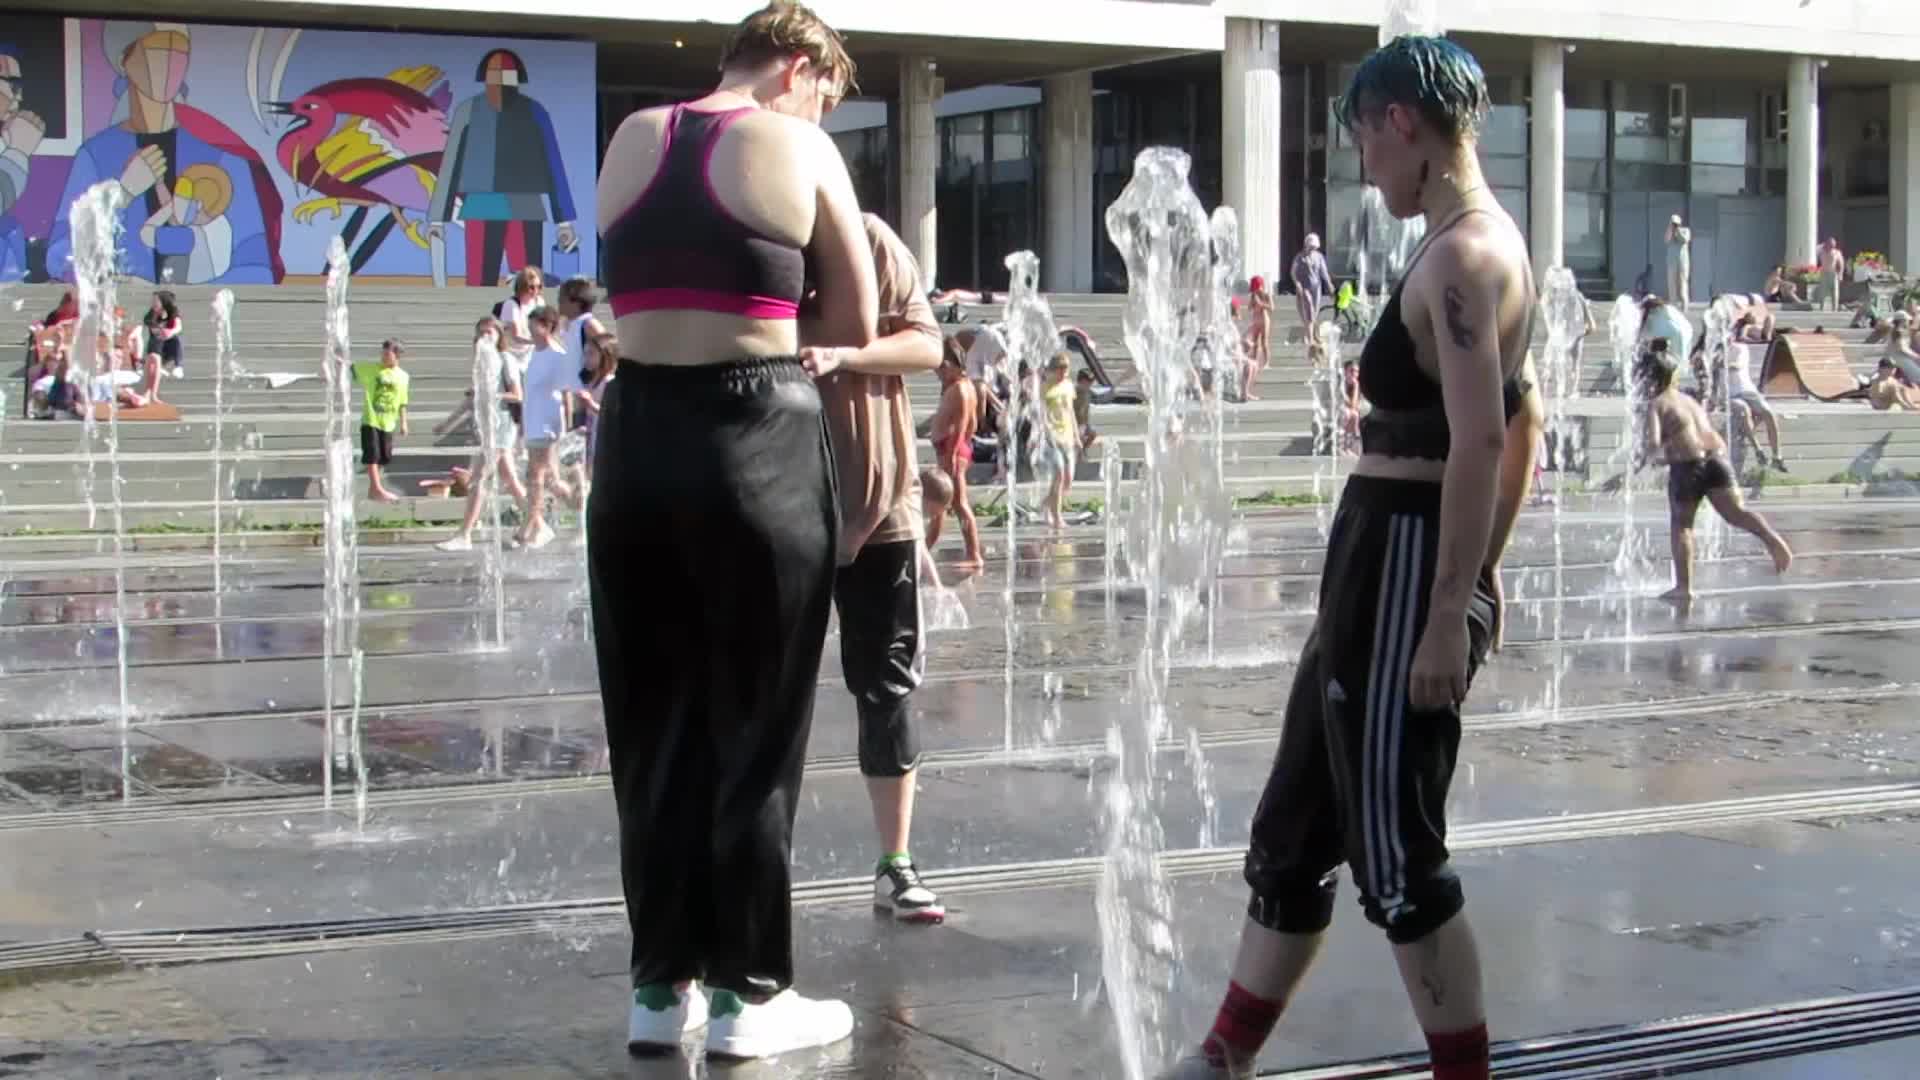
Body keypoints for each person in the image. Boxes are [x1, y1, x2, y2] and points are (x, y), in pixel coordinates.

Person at [1167, 35, 1543, 1080]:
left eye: (1364, 145)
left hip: (1404, 561)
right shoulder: (1476, 243)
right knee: (1296, 826)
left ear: (1400, 123)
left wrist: (1450, 606)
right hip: (1383, 558)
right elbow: (1529, 421)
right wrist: (1485, 572)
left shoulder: (1464, 257)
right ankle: (1224, 1057)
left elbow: (1484, 439)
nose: (1365, 172)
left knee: (1394, 851)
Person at [589, 1, 874, 1060]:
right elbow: (851, 321)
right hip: (756, 433)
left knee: (651, 725)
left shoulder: (632, 137)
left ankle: (658, 991)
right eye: (825, 96)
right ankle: (752, 994)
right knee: (756, 726)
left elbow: (635, 288)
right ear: (798, 65)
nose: (821, 116)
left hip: (634, 441)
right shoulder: (797, 146)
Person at [801, 211, 946, 923]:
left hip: (880, 502)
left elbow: (927, 344)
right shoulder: (750, 236)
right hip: (775, 503)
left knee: (887, 684)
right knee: (757, 689)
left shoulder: (866, 238)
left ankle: (896, 861)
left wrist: (844, 355)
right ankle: (739, 872)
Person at [1634, 345, 1792, 605]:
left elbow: (1652, 444)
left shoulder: (1657, 403)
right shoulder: (1690, 401)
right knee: (1736, 513)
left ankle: (1683, 588)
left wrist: (1643, 465)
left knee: (1682, 526)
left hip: (1687, 466)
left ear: (1649, 378)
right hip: (1717, 460)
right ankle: (1772, 539)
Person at [436, 317, 530, 552]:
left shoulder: (506, 359)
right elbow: (471, 400)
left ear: (499, 335)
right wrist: (447, 423)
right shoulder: (482, 364)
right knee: (510, 480)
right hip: (489, 428)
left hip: (502, 425)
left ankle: (464, 534)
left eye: (490, 332)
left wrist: (491, 394)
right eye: (481, 333)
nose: (485, 336)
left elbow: (517, 395)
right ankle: (537, 523)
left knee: (478, 478)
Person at [515, 306, 583, 549]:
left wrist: (566, 426)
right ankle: (582, 509)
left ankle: (533, 527)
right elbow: (528, 394)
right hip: (533, 421)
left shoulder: (557, 355)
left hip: (548, 423)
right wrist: (522, 427)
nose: (529, 329)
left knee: (535, 475)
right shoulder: (533, 353)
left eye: (534, 325)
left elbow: (567, 393)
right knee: (549, 481)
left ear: (547, 326)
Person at [927, 340, 984, 569]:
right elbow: (974, 424)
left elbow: (963, 424)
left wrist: (952, 453)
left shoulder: (960, 388)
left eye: (940, 370)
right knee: (940, 502)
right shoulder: (964, 386)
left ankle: (974, 554)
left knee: (958, 504)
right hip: (953, 448)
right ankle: (925, 548)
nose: (938, 375)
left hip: (952, 450)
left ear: (949, 365)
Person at [353, 340, 410, 502]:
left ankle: (373, 490)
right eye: (382, 353)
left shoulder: (403, 376)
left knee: (383, 458)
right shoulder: (372, 369)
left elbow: (403, 401)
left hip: (388, 423)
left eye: (387, 354)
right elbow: (350, 368)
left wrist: (404, 422)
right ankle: (377, 488)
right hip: (371, 420)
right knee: (372, 454)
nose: (383, 357)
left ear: (397, 355)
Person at [1722, 333, 1787, 472]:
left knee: (1768, 412)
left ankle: (1777, 456)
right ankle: (1758, 450)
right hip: (1729, 394)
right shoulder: (1714, 352)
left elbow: (1737, 365)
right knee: (1743, 409)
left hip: (1748, 390)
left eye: (1729, 337)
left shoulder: (1740, 348)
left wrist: (1719, 362)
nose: (1728, 340)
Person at [1039, 352, 1077, 531]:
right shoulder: (1044, 387)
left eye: (1065, 370)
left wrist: (1076, 436)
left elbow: (1071, 412)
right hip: (1051, 438)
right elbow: (1042, 415)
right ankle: (1057, 517)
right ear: (1053, 370)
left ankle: (1046, 504)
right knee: (1059, 475)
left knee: (1067, 481)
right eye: (1060, 370)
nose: (1063, 374)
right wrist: (1048, 434)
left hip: (1067, 436)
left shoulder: (1068, 386)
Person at [1291, 234, 1334, 346]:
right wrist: (1297, 283)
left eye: (1314, 247)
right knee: (1309, 310)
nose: (1312, 249)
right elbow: (1293, 272)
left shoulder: (1319, 257)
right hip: (1304, 287)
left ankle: (1312, 335)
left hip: (1316, 287)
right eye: (1311, 247)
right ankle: (1310, 338)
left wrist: (1329, 284)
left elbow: (1324, 272)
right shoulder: (1300, 257)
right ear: (1306, 245)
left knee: (1314, 312)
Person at [143, 290, 184, 379]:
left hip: (169, 347)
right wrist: (162, 331)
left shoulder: (172, 311)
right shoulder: (152, 313)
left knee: (177, 339)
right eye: (152, 300)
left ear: (164, 302)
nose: (153, 303)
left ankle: (178, 367)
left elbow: (178, 327)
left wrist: (171, 332)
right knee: (157, 338)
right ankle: (158, 366)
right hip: (156, 347)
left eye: (155, 300)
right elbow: (153, 330)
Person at [1243, 276, 1273, 397]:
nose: (1255, 290)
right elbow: (1249, 308)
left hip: (1264, 319)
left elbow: (1272, 308)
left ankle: (1267, 362)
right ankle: (1255, 360)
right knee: (1255, 343)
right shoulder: (1253, 296)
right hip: (1256, 319)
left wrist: (1262, 304)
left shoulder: (1266, 295)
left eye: (1256, 287)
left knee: (1264, 342)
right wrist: (1253, 302)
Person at [1665, 215, 1692, 308]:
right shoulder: (1669, 232)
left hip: (1683, 262)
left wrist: (1678, 231)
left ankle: (1685, 305)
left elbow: (1685, 239)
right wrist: (1670, 229)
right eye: (1673, 223)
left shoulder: (1685, 230)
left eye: (1676, 224)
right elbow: (1666, 240)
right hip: (1672, 262)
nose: (1675, 225)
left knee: (1683, 284)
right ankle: (1673, 305)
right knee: (1671, 285)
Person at [1817, 237, 1845, 313]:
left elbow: (1841, 264)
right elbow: (1816, 248)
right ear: (1827, 243)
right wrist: (1823, 245)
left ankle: (1834, 308)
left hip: (1833, 273)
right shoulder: (1821, 251)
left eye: (1833, 244)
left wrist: (1840, 274)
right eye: (1830, 243)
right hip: (1824, 273)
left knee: (1835, 291)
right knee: (1822, 291)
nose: (1832, 245)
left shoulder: (1837, 252)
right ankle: (1821, 307)